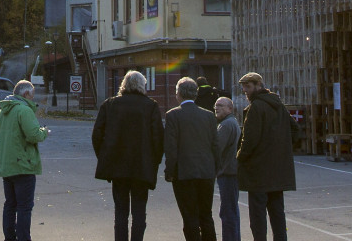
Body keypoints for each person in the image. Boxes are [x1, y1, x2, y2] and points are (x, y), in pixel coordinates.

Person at [93, 70, 163, 241]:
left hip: (117, 167)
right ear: (142, 85)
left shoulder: (109, 104)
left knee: (121, 212)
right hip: (142, 166)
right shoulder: (151, 106)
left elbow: (97, 135)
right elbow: (158, 138)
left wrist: (105, 157)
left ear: (123, 84)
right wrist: (154, 162)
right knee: (139, 211)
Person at [236, 72, 295, 241]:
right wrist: (281, 149)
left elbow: (249, 140)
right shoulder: (278, 105)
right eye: (244, 88)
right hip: (278, 172)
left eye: (248, 87)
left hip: (259, 173)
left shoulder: (256, 107)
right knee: (277, 214)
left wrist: (240, 157)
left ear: (258, 86)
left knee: (258, 218)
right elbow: (295, 130)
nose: (245, 91)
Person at [164, 76, 220, 241]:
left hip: (184, 173)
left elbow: (171, 148)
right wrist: (215, 168)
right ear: (195, 94)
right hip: (206, 172)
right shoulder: (209, 116)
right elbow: (215, 145)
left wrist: (170, 171)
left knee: (189, 216)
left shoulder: (173, 115)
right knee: (206, 215)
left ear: (178, 94)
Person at [0, 80, 50, 241]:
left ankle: (9, 237)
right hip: (23, 164)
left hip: (7, 163)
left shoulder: (5, 110)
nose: (32, 99)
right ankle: (24, 238)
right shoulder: (24, 110)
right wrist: (44, 132)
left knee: (10, 204)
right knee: (24, 207)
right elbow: (33, 135)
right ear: (25, 94)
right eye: (32, 96)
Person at [213, 96, 241, 241]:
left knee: (228, 212)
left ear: (230, 108)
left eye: (221, 105)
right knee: (231, 211)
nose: (217, 108)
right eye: (216, 105)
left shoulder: (226, 125)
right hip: (230, 172)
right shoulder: (230, 123)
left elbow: (216, 149)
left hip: (227, 172)